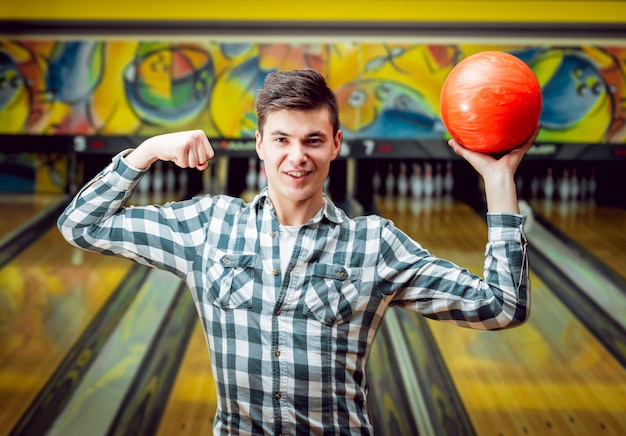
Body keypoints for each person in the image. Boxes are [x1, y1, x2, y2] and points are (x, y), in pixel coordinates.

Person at [58, 69, 535, 434]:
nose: (297, 156)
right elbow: (81, 225)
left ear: (336, 146)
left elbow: (502, 307)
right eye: (282, 140)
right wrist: (147, 151)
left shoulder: (374, 245)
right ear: (260, 145)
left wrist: (498, 182)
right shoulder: (208, 226)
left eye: (313, 141)